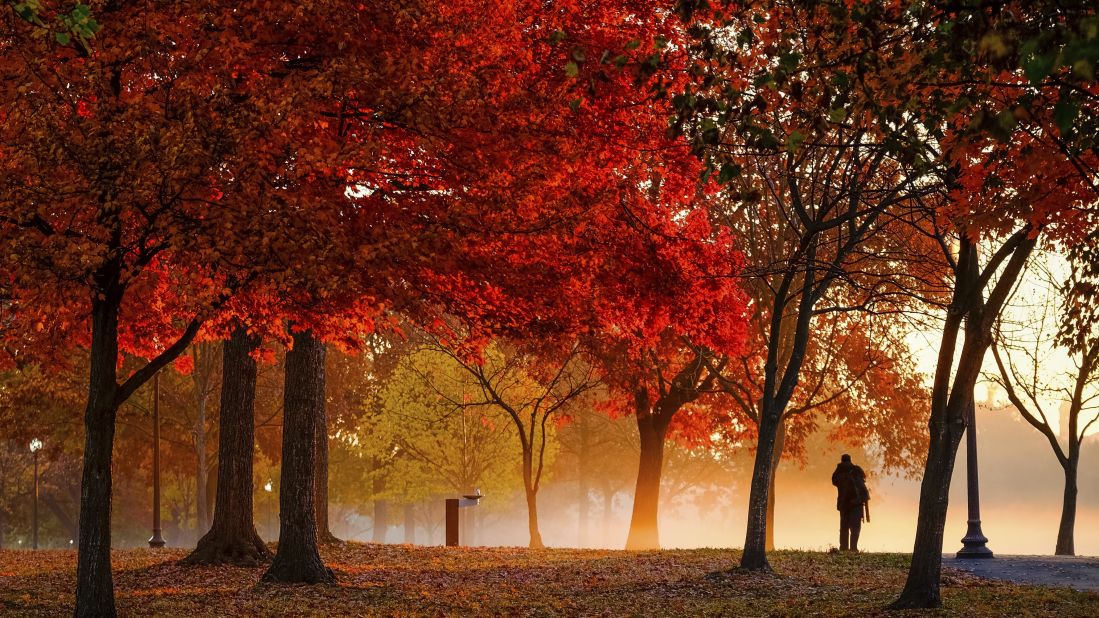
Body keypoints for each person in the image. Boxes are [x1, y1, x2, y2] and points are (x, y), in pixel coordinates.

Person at [831, 453, 868, 552]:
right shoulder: (856, 470)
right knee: (855, 527)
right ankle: (853, 548)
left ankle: (843, 548)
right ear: (850, 460)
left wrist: (839, 468)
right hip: (857, 503)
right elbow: (863, 481)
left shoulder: (839, 472)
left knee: (844, 527)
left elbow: (834, 481)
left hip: (844, 503)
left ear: (842, 460)